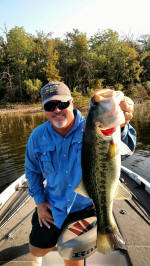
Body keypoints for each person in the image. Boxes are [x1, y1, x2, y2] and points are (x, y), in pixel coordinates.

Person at [25, 81, 136, 266]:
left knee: (72, 254)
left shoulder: (90, 127)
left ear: (72, 102)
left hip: (86, 206)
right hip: (54, 205)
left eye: (62, 104)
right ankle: (55, 242)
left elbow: (125, 147)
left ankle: (75, 245)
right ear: (44, 109)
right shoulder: (37, 136)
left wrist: (123, 125)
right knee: (37, 250)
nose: (57, 110)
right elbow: (32, 170)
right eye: (50, 105)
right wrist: (40, 201)